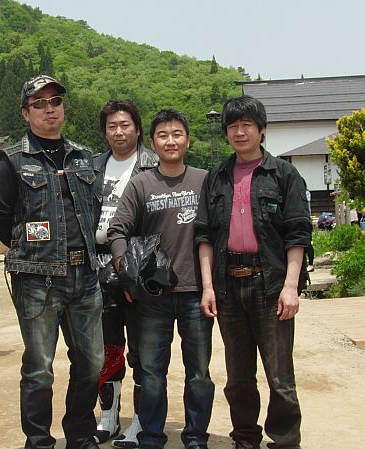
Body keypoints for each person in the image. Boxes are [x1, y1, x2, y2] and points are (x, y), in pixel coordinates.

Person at [0, 74, 104, 449]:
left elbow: (94, 208)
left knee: (92, 361)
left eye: (55, 102)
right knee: (40, 368)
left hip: (86, 273)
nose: (49, 109)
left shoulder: (83, 156)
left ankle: (80, 433)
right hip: (38, 279)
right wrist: (32, 249)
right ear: (26, 113)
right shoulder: (13, 160)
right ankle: (38, 440)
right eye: (39, 104)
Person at [194, 95, 311, 449]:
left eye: (247, 125)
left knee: (280, 377)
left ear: (261, 130)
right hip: (228, 287)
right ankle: (245, 440)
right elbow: (204, 235)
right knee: (238, 378)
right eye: (232, 126)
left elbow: (298, 234)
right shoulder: (216, 177)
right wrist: (208, 287)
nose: (239, 132)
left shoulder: (284, 175)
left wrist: (290, 287)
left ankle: (285, 441)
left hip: (270, 286)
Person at [107, 109, 213, 449]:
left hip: (196, 293)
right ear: (152, 143)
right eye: (163, 135)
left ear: (188, 140)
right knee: (152, 372)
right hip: (153, 295)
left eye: (177, 134)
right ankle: (152, 436)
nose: (171, 141)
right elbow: (118, 230)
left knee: (199, 373)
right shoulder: (141, 184)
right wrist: (126, 272)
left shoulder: (205, 180)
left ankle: (195, 436)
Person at [93, 100, 158, 446]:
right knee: (107, 348)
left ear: (137, 128)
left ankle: (143, 422)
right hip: (96, 267)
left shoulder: (153, 164)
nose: (119, 132)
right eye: (112, 126)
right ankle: (109, 417)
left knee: (143, 350)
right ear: (104, 132)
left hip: (137, 265)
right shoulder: (91, 167)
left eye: (125, 125)